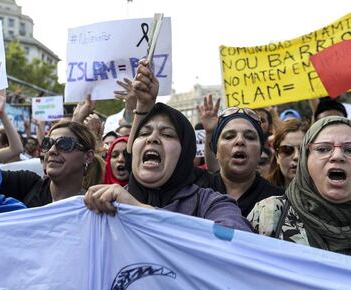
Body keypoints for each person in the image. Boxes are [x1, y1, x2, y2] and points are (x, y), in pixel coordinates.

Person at [85, 60, 252, 232]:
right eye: (144, 133)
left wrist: (141, 211)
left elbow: (236, 241)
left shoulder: (210, 204)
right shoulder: (104, 201)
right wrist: (142, 106)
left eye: (167, 134)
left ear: (184, 153)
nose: (153, 139)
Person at [248, 116, 351, 254]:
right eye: (323, 149)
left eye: (350, 150)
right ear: (305, 160)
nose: (337, 156)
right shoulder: (269, 214)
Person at [206, 106, 284, 217]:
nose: (240, 141)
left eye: (250, 137)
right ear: (216, 150)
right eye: (229, 136)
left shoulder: (280, 201)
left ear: (260, 152)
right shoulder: (195, 192)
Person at [0, 121, 95, 207]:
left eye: (65, 144)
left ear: (88, 157)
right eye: (48, 144)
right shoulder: (27, 184)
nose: (51, 150)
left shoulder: (93, 205)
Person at [267, 119, 308, 188]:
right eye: (287, 150)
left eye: (302, 150)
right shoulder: (264, 196)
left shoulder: (327, 195)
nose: (296, 156)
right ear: (277, 156)